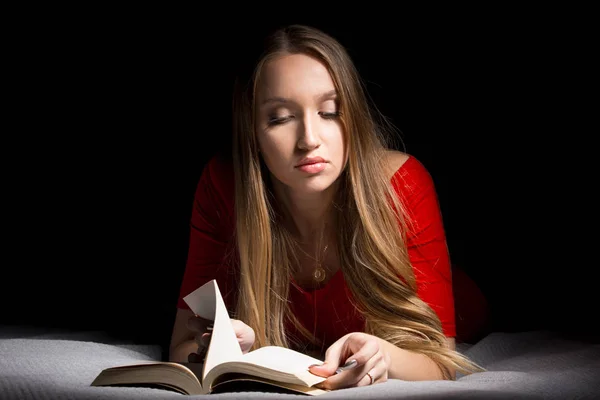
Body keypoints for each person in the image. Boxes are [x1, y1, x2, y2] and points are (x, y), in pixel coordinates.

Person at [169, 23, 484, 390]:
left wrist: (385, 354)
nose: (309, 139)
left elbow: (439, 361)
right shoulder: (223, 186)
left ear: (353, 118)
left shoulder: (402, 185)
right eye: (280, 118)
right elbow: (181, 346)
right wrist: (223, 347)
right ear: (252, 131)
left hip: (465, 307)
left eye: (330, 111)